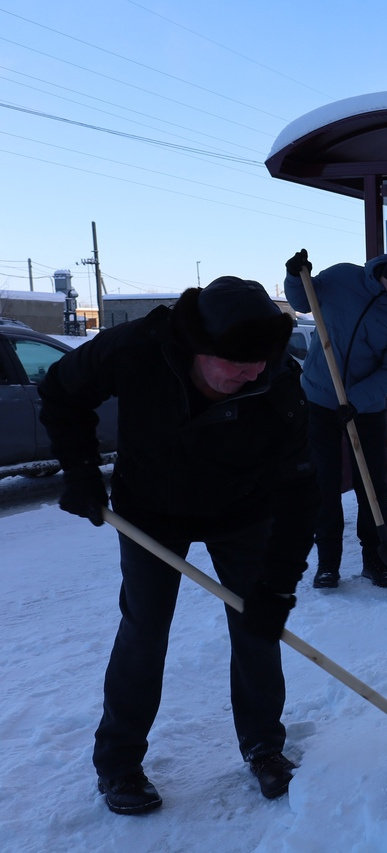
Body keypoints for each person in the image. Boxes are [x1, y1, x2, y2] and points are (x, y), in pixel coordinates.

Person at [38, 277, 318, 814]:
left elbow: (302, 492)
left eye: (261, 361)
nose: (251, 372)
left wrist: (277, 589)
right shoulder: (139, 349)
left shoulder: (278, 386)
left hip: (243, 511)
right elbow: (60, 390)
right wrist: (80, 473)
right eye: (237, 363)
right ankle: (118, 764)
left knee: (258, 626)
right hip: (151, 512)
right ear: (197, 348)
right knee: (144, 631)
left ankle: (265, 747)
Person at [283, 244, 387, 589]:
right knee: (324, 483)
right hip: (319, 398)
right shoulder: (343, 278)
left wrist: (356, 400)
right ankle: (327, 563)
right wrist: (293, 276)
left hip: (365, 408)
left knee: (373, 487)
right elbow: (304, 301)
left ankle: (375, 559)